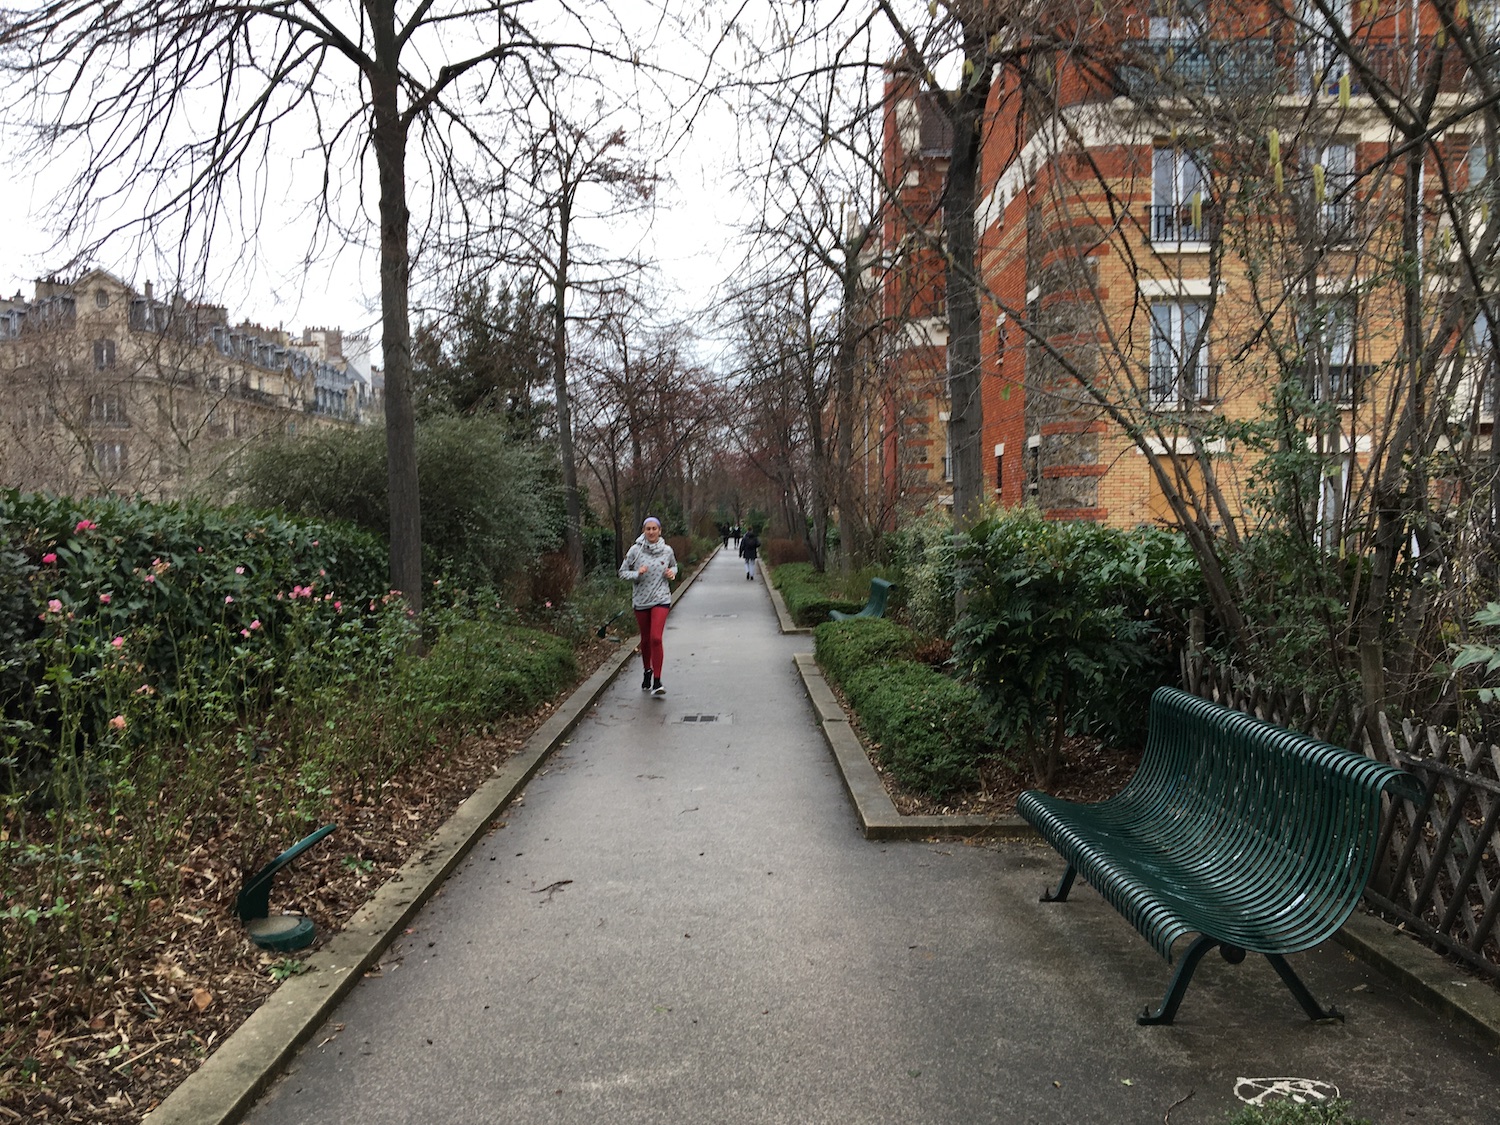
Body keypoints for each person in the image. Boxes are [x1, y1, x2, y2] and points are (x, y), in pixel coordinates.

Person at [619, 516, 677, 696]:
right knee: (645, 640)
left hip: (661, 599)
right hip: (641, 600)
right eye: (648, 529)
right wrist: (637, 573)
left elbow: (674, 566)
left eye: (654, 529)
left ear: (660, 531)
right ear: (644, 531)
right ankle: (647, 671)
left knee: (656, 638)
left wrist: (671, 573)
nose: (651, 532)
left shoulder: (667, 551)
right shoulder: (635, 551)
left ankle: (657, 682)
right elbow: (622, 573)